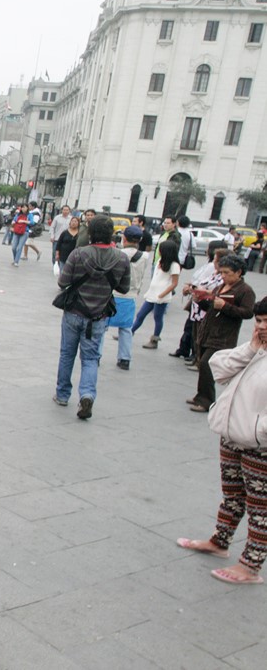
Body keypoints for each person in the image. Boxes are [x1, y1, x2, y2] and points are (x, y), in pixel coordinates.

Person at [176, 297, 267, 585]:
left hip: (258, 446)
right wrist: (252, 348)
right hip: (232, 437)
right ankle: (220, 541)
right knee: (232, 497)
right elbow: (220, 368)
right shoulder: (257, 349)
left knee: (260, 508)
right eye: (260, 321)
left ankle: (251, 566)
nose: (262, 327)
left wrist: (258, 433)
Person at [54, 215, 130, 420]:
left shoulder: (78, 254)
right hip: (99, 315)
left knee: (67, 353)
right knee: (90, 359)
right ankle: (87, 395)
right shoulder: (121, 258)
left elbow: (63, 282)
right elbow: (124, 287)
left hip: (74, 312)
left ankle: (62, 394)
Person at [188, 255, 256, 413]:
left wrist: (225, 306)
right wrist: (200, 300)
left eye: (227, 273)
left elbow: (247, 313)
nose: (223, 276)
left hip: (223, 335)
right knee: (202, 363)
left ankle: (207, 400)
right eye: (222, 273)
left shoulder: (245, 291)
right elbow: (211, 307)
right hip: (208, 330)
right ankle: (201, 395)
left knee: (206, 364)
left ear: (238, 272)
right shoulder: (220, 287)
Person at [113, 226, 151, 371]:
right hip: (130, 295)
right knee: (126, 328)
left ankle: (96, 355)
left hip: (114, 294)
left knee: (102, 326)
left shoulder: (117, 253)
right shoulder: (145, 257)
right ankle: (124, 358)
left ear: (124, 238)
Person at [130, 239, 180, 350]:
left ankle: (155, 339)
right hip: (152, 294)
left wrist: (163, 294)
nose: (159, 252)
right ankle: (130, 332)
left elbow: (174, 283)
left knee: (158, 317)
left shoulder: (174, 265)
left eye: (160, 250)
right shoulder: (160, 261)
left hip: (161, 296)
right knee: (141, 315)